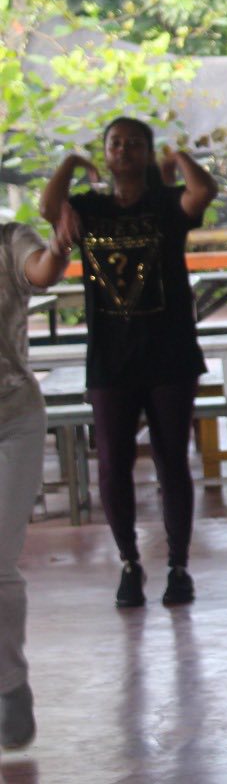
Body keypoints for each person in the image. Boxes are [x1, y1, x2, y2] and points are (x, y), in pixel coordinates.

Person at [40, 118, 219, 609]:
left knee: (172, 461)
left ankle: (178, 566)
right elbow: (48, 207)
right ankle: (128, 562)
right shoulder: (88, 208)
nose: (124, 151)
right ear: (105, 153)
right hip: (110, 356)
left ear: (147, 152)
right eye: (115, 144)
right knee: (113, 464)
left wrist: (177, 155)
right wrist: (73, 162)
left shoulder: (166, 205)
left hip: (170, 354)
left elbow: (204, 191)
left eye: (134, 144)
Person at [0, 211, 75, 751]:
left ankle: (9, 685)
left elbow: (42, 270)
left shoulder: (10, 239)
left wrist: (61, 245)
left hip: (14, 416)